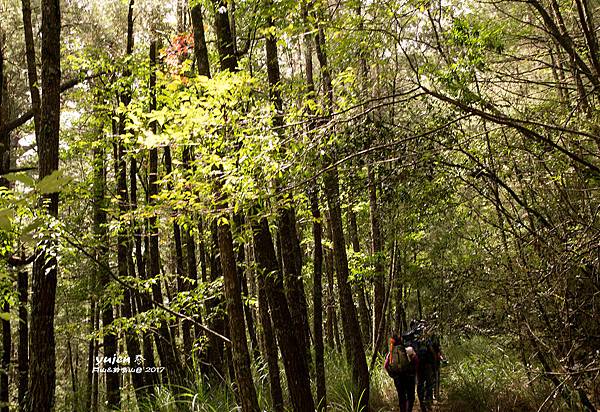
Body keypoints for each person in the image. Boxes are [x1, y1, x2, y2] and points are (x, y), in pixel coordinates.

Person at [385, 335, 418, 412]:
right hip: (409, 376)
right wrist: (414, 371)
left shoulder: (391, 354)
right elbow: (416, 361)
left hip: (398, 378)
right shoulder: (409, 350)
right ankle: (409, 410)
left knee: (401, 396)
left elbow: (386, 365)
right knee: (411, 396)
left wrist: (392, 375)